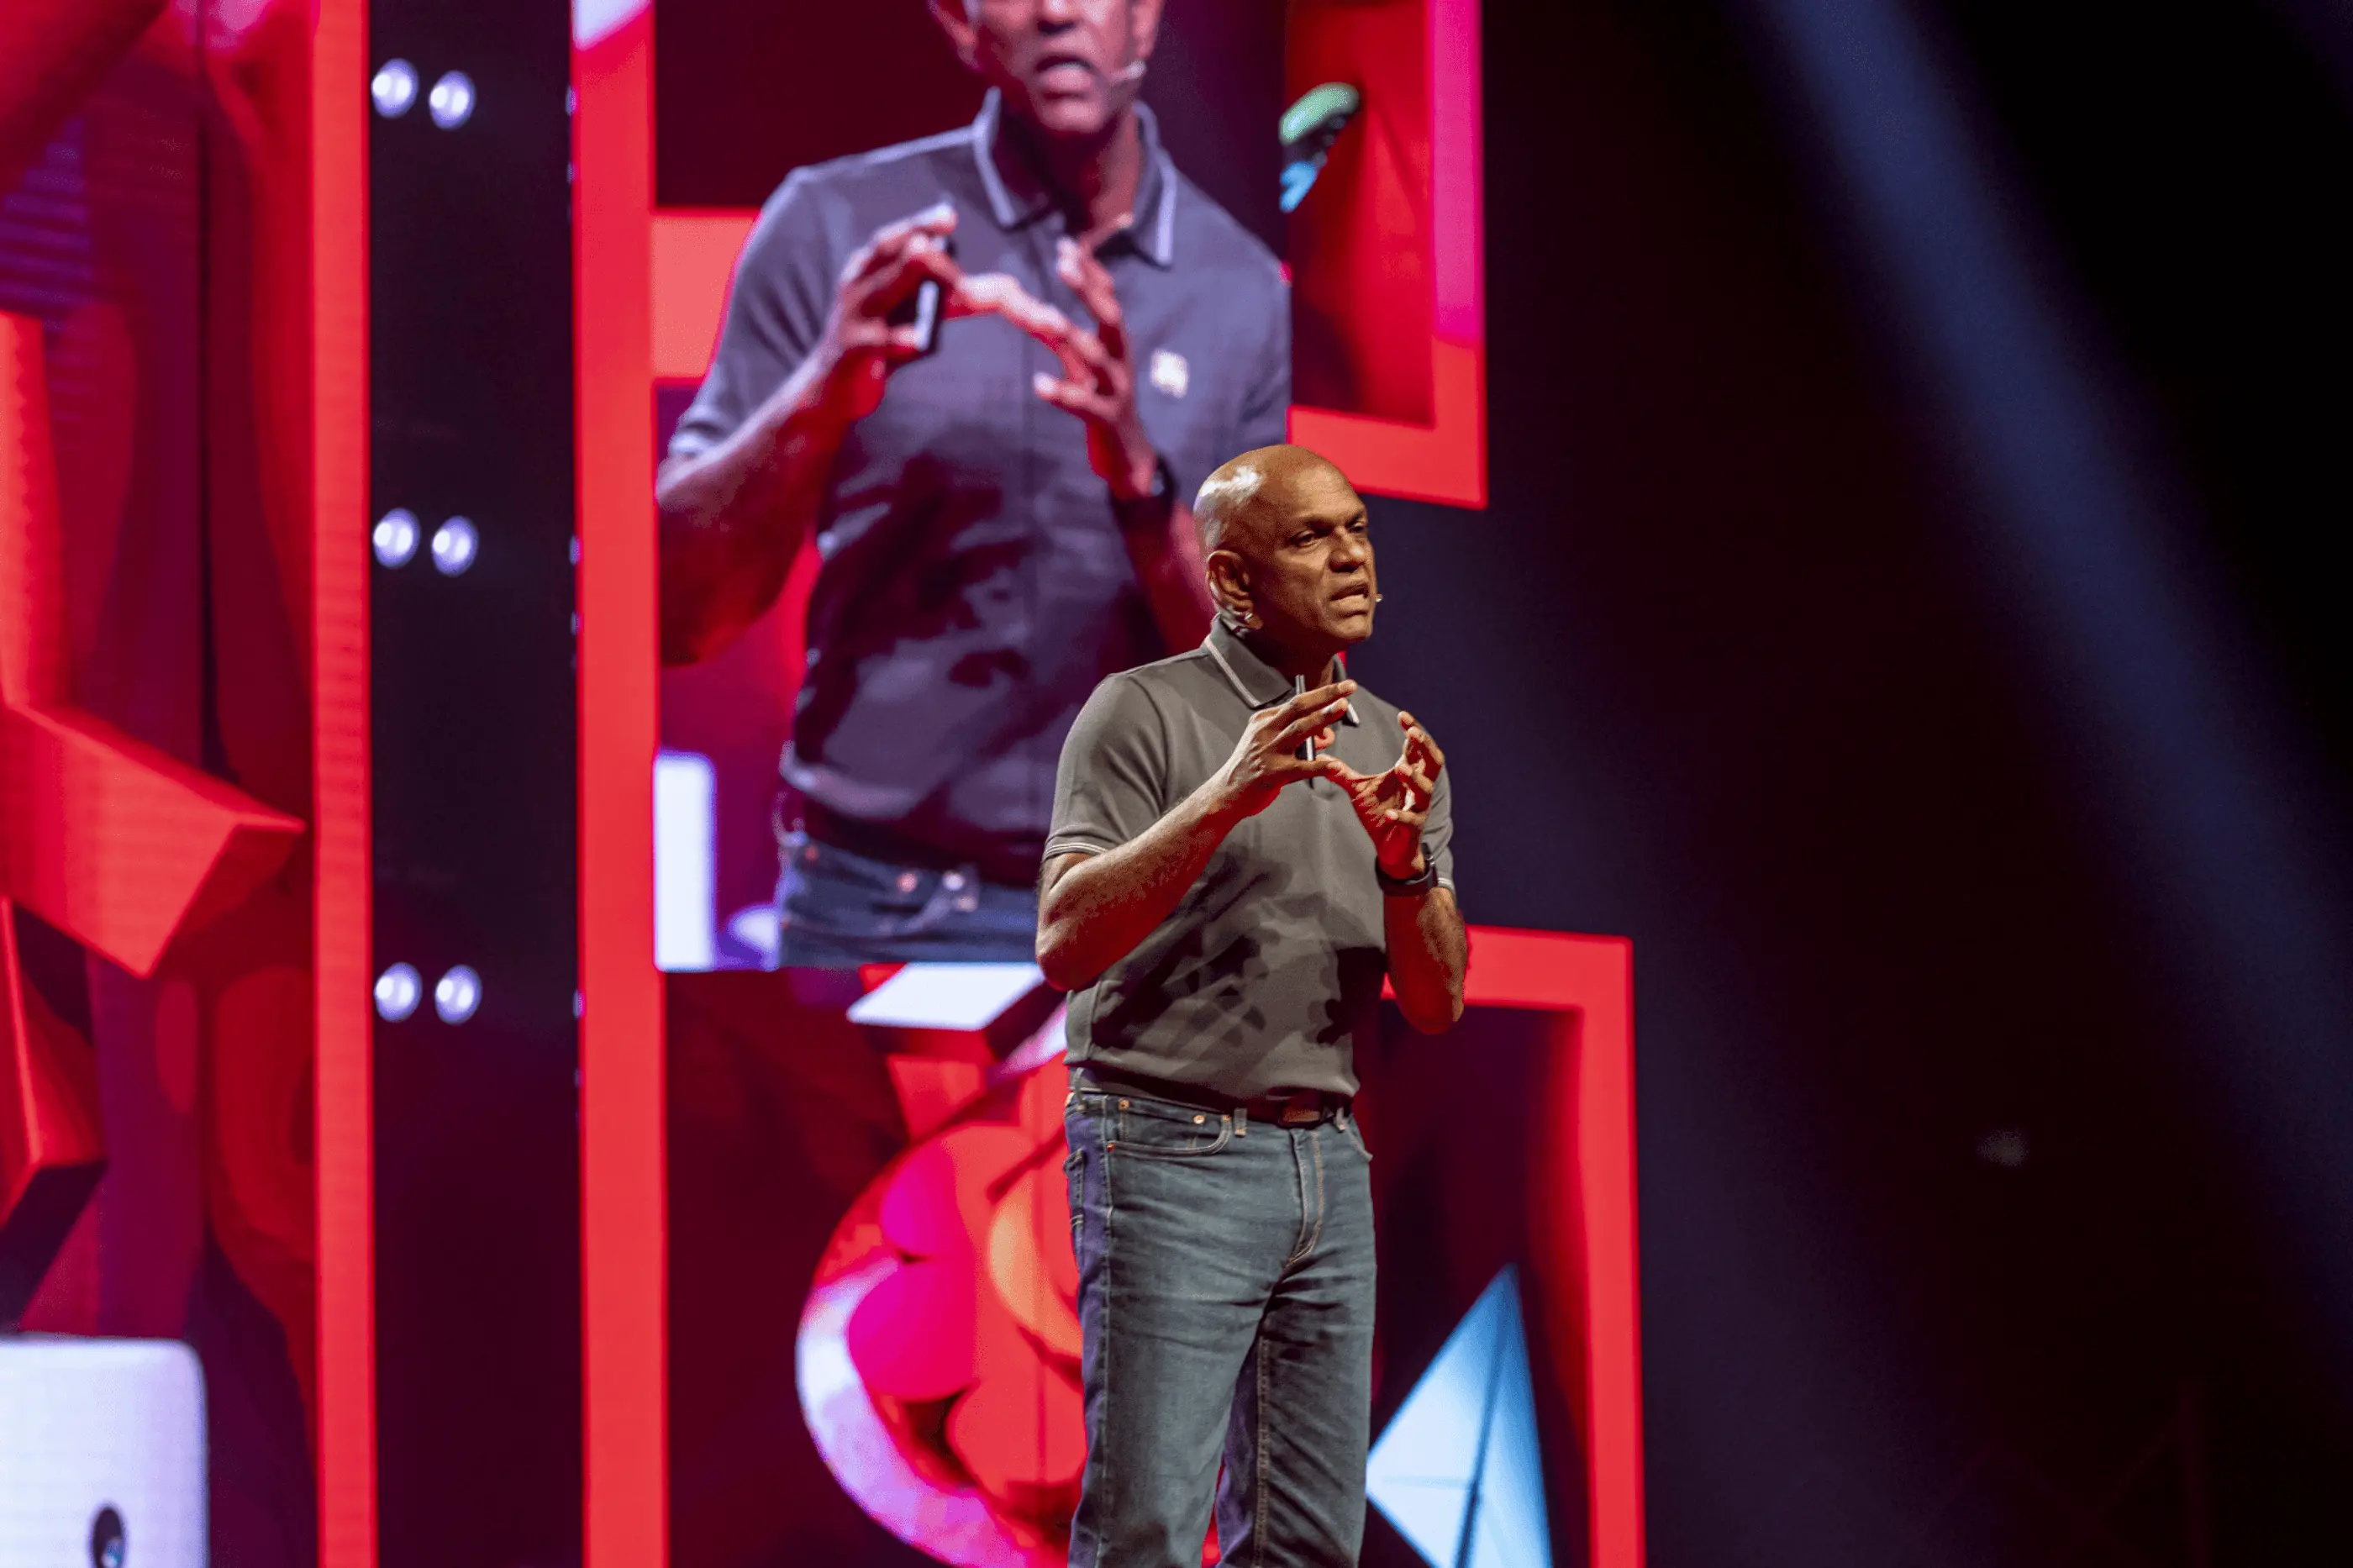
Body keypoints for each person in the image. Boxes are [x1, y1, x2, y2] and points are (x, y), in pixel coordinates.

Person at [655, 0, 1291, 966]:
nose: (1058, 11)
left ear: (1148, 17)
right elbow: (676, 612)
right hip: (871, 905)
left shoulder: (1241, 294)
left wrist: (1139, 486)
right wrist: (817, 396)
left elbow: (1270, 696)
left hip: (1148, 912)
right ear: (958, 20)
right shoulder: (835, 228)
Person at [1037, 445, 1469, 1567]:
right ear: (1232, 579)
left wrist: (1406, 867)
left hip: (1327, 1159)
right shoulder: (1142, 710)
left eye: (1357, 528)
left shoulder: (1393, 740)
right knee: (1146, 1530)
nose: (1352, 557)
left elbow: (1436, 1004)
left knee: (1311, 1543)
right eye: (1310, 537)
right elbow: (1064, 941)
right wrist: (1225, 796)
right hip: (1166, 1148)